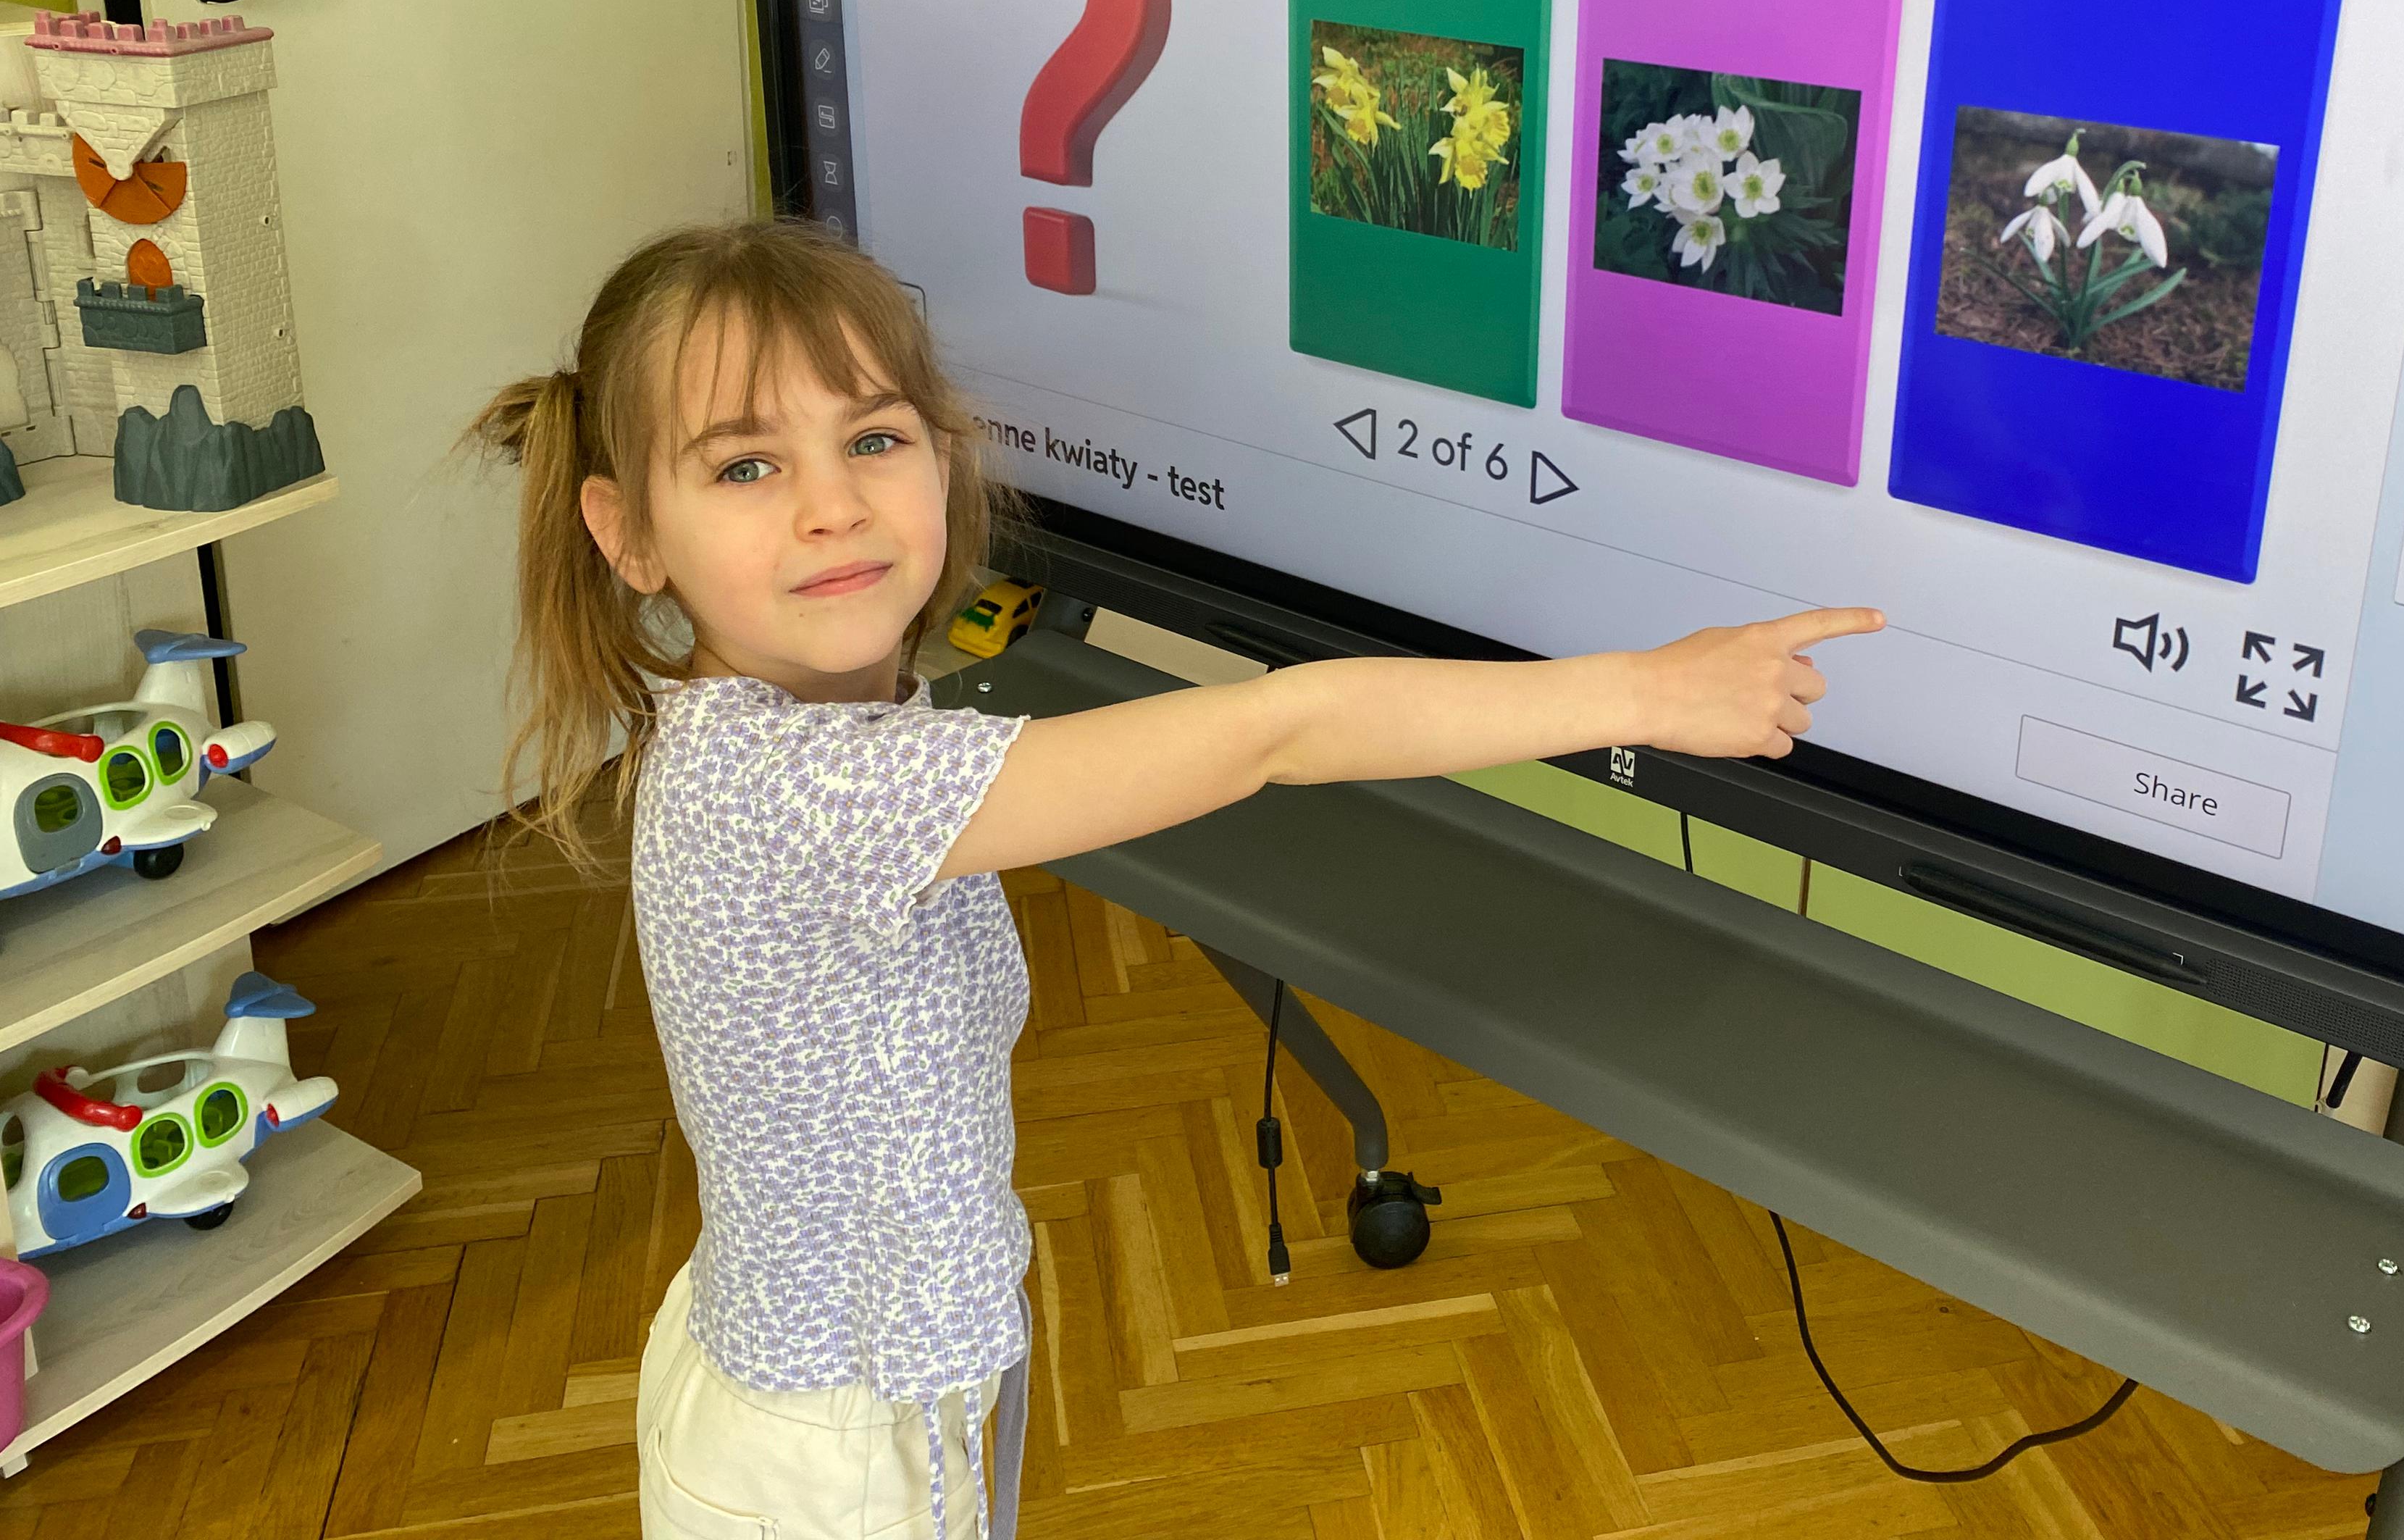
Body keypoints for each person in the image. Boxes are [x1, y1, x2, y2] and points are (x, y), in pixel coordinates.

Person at [470, 219, 1881, 1540]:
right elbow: (1283, 730)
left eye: (874, 439)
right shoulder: (799, 789)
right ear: (625, 532)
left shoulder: (805, 727)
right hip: (827, 1454)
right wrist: (1645, 692)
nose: (833, 508)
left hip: (865, 1366)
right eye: (745, 468)